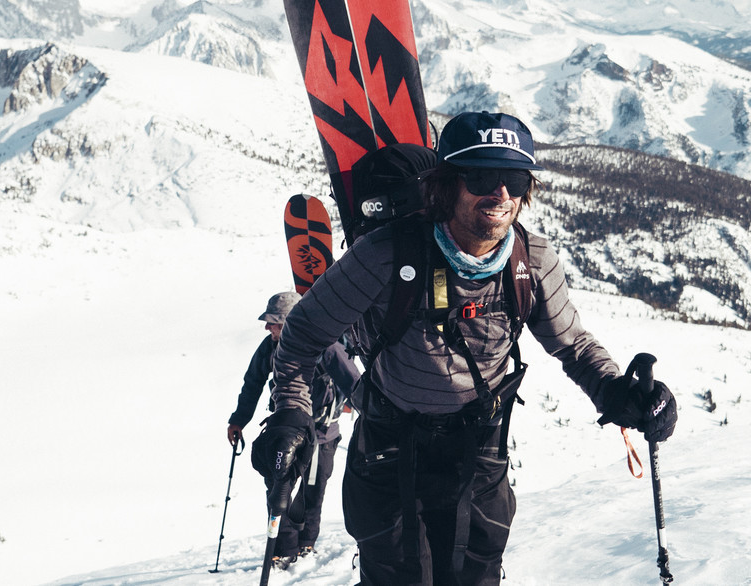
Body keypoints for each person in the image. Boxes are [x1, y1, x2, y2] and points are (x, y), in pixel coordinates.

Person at [264, 112, 678, 585]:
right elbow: (302, 335)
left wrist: (617, 391)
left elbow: (574, 346)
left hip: (479, 461)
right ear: (445, 185)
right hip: (390, 454)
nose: (501, 193)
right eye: (481, 176)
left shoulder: (532, 263)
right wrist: (291, 414)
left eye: (515, 178)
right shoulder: (383, 255)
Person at [226, 291, 359, 570]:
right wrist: (239, 420)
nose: (267, 327)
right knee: (279, 487)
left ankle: (306, 543)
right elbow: (253, 383)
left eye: (273, 322)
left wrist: (376, 420)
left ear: (290, 322)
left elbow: (354, 384)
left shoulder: (327, 346)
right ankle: (282, 548)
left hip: (322, 433)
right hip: (285, 432)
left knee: (312, 491)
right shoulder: (269, 346)